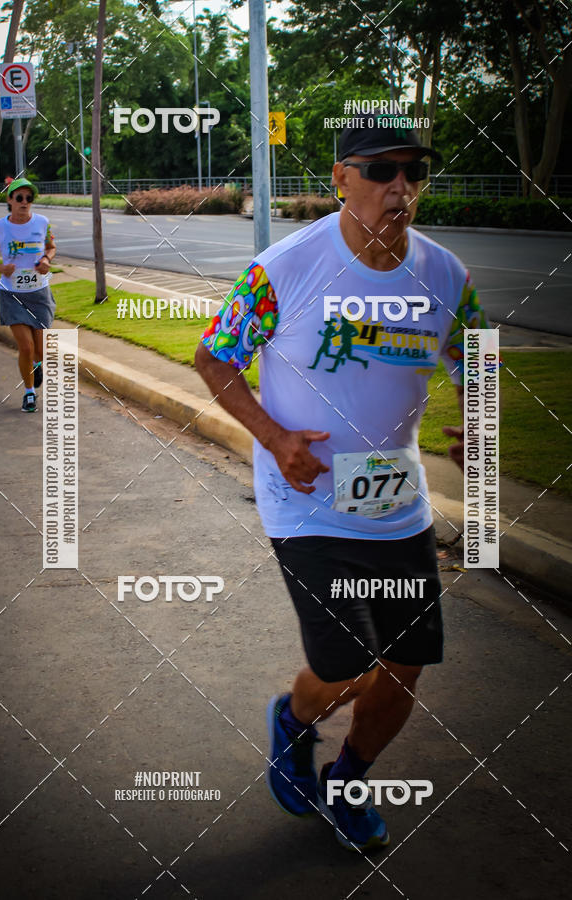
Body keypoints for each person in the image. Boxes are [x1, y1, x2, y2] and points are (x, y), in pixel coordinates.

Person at [195, 118, 491, 851]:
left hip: (396, 502)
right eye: (381, 171)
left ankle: (348, 781)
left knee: (405, 666)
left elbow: (477, 360)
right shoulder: (286, 268)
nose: (400, 187)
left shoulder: (446, 276)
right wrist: (274, 437)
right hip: (304, 500)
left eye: (413, 173)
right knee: (348, 662)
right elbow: (214, 355)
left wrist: (481, 426)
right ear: (340, 178)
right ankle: (295, 722)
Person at [0, 178, 56, 412]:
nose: (25, 202)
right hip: (12, 294)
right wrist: (1, 268)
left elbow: (51, 247)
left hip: (38, 292)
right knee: (25, 346)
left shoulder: (42, 223)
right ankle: (29, 393)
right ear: (10, 200)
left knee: (40, 349)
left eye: (29, 198)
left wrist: (46, 259)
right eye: (19, 198)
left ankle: (37, 365)